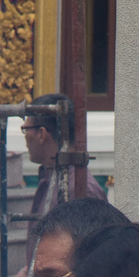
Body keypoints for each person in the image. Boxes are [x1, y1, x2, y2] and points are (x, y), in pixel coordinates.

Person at [24, 94, 107, 251]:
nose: (25, 137)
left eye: (25, 130)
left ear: (41, 134)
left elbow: (90, 255)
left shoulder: (80, 187)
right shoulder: (50, 178)